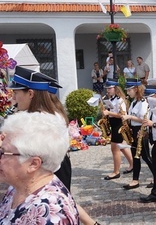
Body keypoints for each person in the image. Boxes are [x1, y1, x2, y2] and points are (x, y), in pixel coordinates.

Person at [7, 66, 97, 225]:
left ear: (30, 94)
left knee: (56, 204)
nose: (13, 98)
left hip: (51, 166)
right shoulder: (37, 115)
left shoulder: (44, 120)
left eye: (16, 93)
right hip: (46, 166)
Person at [0, 112, 79, 224]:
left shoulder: (50, 213)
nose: (0, 157)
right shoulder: (19, 185)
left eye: (3, 152)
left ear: (33, 164)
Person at [121, 79, 153, 190]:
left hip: (141, 130)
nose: (127, 92)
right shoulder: (134, 102)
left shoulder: (143, 102)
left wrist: (129, 117)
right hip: (133, 129)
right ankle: (135, 180)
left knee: (146, 156)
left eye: (129, 90)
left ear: (135, 89)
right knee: (135, 156)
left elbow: (144, 119)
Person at [102, 79, 134, 180]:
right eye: (107, 89)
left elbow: (122, 114)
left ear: (115, 88)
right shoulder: (111, 99)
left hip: (119, 125)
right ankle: (133, 165)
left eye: (110, 88)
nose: (108, 90)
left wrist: (109, 113)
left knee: (114, 148)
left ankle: (116, 172)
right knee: (122, 147)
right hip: (113, 123)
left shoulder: (120, 100)